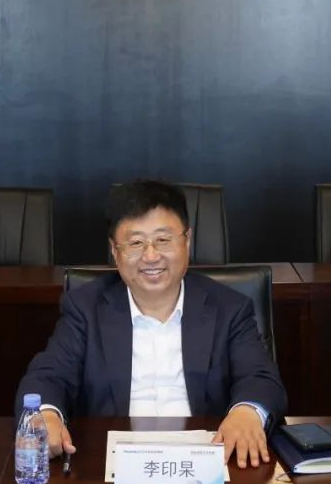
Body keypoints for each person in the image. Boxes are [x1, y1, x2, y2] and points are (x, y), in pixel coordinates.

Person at [16, 180, 287, 468]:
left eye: (163, 240)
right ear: (115, 251)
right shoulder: (85, 308)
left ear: (187, 240)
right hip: (108, 467)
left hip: (209, 463)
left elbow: (260, 376)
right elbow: (48, 375)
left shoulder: (229, 307)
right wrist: (45, 415)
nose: (151, 256)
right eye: (135, 243)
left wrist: (246, 412)